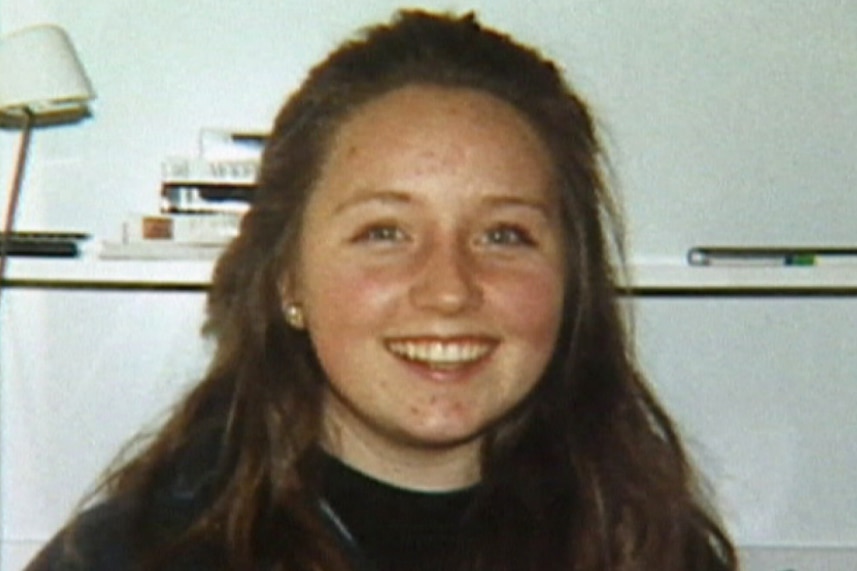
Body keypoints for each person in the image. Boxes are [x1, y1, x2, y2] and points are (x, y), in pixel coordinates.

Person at [26, 9, 738, 571]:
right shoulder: (133, 558)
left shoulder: (653, 551)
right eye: (385, 232)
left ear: (571, 281)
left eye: (503, 235)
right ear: (285, 279)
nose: (449, 290)